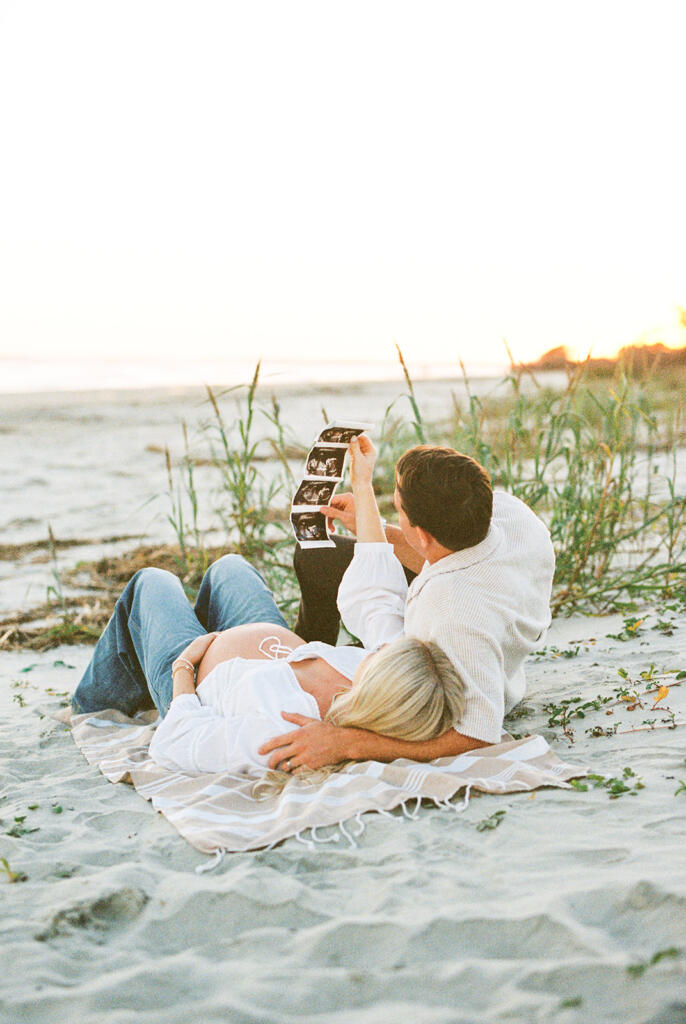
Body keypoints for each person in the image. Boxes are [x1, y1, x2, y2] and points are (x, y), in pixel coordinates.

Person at [259, 437, 555, 772]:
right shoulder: (512, 514)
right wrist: (371, 521)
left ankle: (296, 658)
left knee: (355, 637)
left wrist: (346, 744)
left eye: (398, 511)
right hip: (483, 611)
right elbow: (446, 555)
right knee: (319, 556)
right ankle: (305, 647)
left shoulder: (450, 616)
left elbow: (479, 736)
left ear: (424, 534)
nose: (395, 516)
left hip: (459, 662)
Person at [71, 554, 465, 779]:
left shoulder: (292, 732)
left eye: (382, 657)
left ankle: (91, 703)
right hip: (268, 642)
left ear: (383, 686)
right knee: (230, 567)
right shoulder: (370, 672)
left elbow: (175, 743)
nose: (375, 649)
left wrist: (183, 670)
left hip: (199, 670)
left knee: (152, 582)